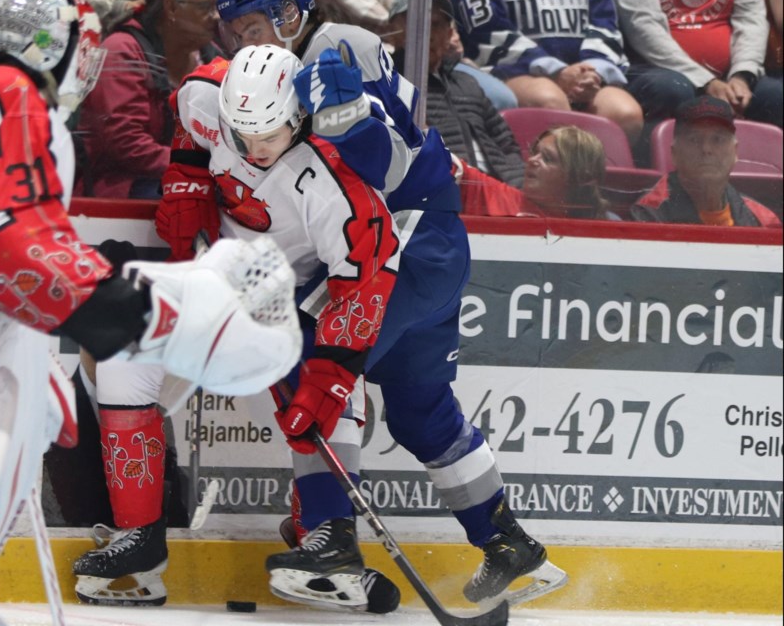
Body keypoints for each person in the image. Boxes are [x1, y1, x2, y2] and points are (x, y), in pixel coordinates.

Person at [0, 0, 302, 623]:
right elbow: (23, 260)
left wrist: (19, 388)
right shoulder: (15, 104)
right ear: (79, 57)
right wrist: (158, 319)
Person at [166, 31, 564, 616]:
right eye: (239, 136)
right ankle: (507, 541)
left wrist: (329, 373)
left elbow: (363, 272)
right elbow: (193, 128)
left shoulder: (331, 163)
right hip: (436, 248)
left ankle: (334, 540)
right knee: (421, 407)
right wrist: (184, 180)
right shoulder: (213, 93)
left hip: (403, 250)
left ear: (301, 117)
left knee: (312, 366)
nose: (251, 151)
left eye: (267, 137)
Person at [76, 0, 223, 199]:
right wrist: (198, 166)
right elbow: (127, 143)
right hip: (124, 185)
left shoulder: (210, 54)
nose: (216, 16)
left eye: (216, 6)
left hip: (192, 174)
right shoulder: (122, 50)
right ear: (171, 7)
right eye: (205, 7)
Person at [448, 0, 645, 145]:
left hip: (581, 73)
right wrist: (556, 71)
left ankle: (591, 192)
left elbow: (605, 26)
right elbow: (488, 33)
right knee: (549, 100)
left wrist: (592, 72)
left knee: (624, 113)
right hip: (510, 71)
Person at [614, 0, 784, 165]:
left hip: (729, 75)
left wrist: (742, 75)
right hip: (657, 67)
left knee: (776, 96)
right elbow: (642, 24)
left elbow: (751, 20)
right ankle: (659, 182)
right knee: (671, 90)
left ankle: (761, 188)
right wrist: (705, 81)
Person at [388, 0, 524, 188]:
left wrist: (517, 187)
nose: (428, 34)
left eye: (436, 25)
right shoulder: (387, 83)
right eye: (417, 23)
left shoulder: (467, 83)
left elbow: (506, 144)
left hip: (498, 193)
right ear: (395, 32)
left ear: (450, 34)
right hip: (444, 192)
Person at [631, 97, 782, 227]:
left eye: (718, 139)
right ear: (675, 154)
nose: (706, 149)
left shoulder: (763, 220)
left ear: (735, 152)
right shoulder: (648, 215)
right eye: (694, 140)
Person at [462, 125, 619, 219]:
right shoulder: (495, 195)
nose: (532, 160)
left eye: (548, 159)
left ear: (580, 177)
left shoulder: (601, 229)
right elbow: (446, 163)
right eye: (534, 152)